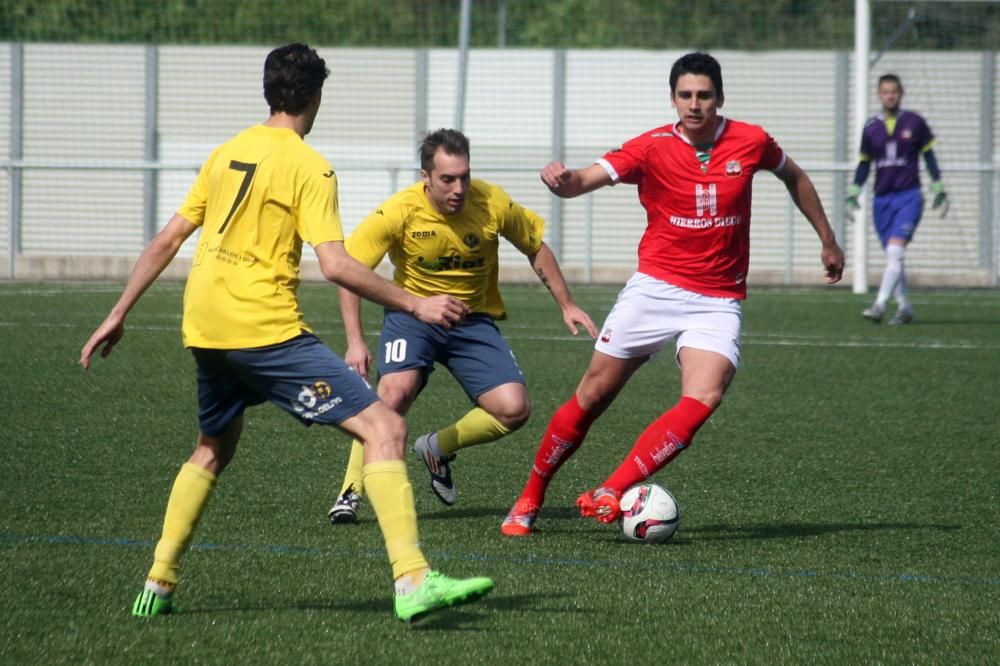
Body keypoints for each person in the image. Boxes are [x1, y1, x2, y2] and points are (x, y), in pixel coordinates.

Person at [79, 43, 493, 623]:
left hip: (205, 327)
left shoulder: (228, 152)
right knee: (385, 426)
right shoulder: (310, 166)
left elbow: (171, 237)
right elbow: (338, 265)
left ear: (269, 90)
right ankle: (414, 580)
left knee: (212, 446)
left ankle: (158, 583)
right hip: (264, 331)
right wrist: (415, 303)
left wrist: (119, 310)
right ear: (315, 97)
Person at [500, 52, 845, 536]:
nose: (695, 104)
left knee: (705, 395)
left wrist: (827, 240)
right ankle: (530, 497)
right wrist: (561, 180)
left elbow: (796, 176)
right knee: (593, 395)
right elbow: (581, 182)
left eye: (704, 95)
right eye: (685, 95)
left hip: (717, 299)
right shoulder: (651, 147)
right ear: (673, 99)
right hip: (655, 290)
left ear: (719, 98)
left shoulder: (752, 140)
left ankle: (611, 489)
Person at [327, 128, 597, 524]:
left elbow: (535, 246)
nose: (459, 188)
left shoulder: (491, 202)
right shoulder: (399, 211)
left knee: (513, 409)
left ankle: (436, 447)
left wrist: (567, 303)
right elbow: (349, 270)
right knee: (393, 394)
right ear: (426, 177)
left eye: (464, 177)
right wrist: (355, 341)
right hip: (412, 316)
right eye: (447, 179)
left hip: (471, 321)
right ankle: (351, 490)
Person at [847, 73, 948, 325]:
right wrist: (853, 193)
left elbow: (929, 156)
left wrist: (938, 186)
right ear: (879, 95)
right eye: (885, 91)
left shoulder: (915, 122)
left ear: (900, 94)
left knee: (895, 250)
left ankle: (879, 304)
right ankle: (905, 308)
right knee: (895, 257)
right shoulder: (871, 128)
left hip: (909, 196)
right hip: (881, 200)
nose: (890, 95)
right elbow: (864, 164)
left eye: (894, 91)